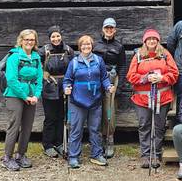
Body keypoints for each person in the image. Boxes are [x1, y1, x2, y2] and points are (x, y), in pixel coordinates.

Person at [127, 28, 179, 169]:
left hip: (162, 97)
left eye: (154, 39)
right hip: (142, 99)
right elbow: (130, 76)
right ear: (145, 41)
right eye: (149, 39)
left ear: (158, 41)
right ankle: (145, 154)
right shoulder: (138, 55)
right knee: (144, 125)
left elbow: (174, 73)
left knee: (159, 126)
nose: (151, 41)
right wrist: (145, 78)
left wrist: (162, 77)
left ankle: (156, 153)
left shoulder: (165, 55)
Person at [63, 35, 115, 168]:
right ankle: (74, 156)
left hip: (95, 101)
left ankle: (96, 154)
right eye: (83, 45)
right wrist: (66, 88)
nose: (86, 47)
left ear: (92, 46)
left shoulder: (98, 61)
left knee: (95, 129)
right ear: (80, 47)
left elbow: (103, 77)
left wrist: (108, 86)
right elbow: (67, 80)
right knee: (76, 129)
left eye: (88, 44)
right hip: (77, 102)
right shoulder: (74, 62)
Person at [2, 29, 43, 171]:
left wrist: (36, 96)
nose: (29, 42)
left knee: (27, 126)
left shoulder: (36, 58)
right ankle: (7, 157)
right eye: (26, 39)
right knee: (14, 125)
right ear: (21, 41)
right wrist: (25, 96)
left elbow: (39, 79)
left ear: (35, 42)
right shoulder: (14, 57)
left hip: (31, 97)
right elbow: (12, 80)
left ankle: (21, 155)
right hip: (14, 96)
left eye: (32, 40)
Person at [40, 26, 75, 159]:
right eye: (53, 36)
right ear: (49, 38)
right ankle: (48, 145)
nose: (56, 39)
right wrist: (43, 74)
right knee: (50, 117)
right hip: (49, 86)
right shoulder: (44, 51)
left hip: (64, 87)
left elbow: (73, 67)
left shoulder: (68, 50)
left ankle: (60, 143)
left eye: (58, 36)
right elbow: (37, 65)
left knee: (62, 116)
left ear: (61, 36)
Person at [93, 17, 126, 158]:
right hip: (96, 79)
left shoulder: (119, 47)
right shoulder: (95, 45)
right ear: (103, 29)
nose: (109, 30)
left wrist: (120, 86)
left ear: (115, 30)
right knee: (96, 109)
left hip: (112, 78)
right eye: (107, 28)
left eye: (111, 28)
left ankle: (109, 139)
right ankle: (98, 139)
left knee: (109, 110)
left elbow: (123, 66)